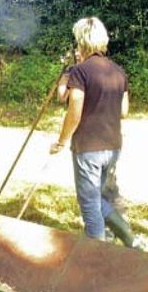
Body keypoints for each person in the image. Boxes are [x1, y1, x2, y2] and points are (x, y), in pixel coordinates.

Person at [51, 16, 133, 245]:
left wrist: (61, 141)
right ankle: (130, 240)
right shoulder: (118, 71)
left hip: (89, 148)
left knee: (89, 205)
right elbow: (123, 111)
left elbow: (74, 109)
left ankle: (96, 256)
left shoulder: (80, 72)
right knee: (97, 199)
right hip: (113, 146)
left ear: (81, 41)